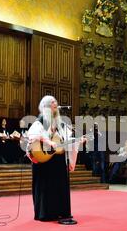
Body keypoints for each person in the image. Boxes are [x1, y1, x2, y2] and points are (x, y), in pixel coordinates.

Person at [27, 95, 84, 224]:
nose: (55, 104)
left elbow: (66, 141)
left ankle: (60, 212)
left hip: (58, 160)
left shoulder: (60, 123)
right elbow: (32, 135)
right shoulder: (40, 120)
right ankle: (46, 213)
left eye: (55, 102)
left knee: (59, 185)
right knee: (46, 187)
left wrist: (78, 142)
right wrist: (48, 141)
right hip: (44, 160)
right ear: (46, 106)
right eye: (52, 102)